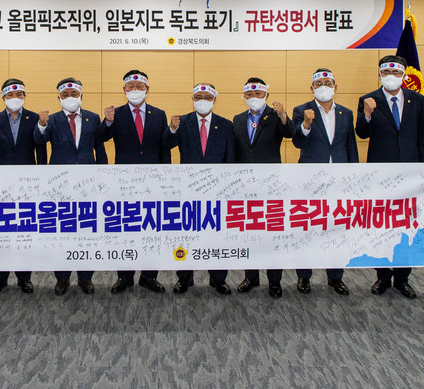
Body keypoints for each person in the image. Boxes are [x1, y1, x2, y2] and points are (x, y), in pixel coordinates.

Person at [356, 56, 424, 299]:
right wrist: (367, 114)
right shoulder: (368, 99)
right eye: (386, 71)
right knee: (382, 225)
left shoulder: (417, 100)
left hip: (409, 172)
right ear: (379, 74)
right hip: (381, 174)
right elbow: (361, 133)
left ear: (403, 75)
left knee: (406, 224)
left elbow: (423, 137)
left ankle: (402, 278)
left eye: (395, 72)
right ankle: (382, 277)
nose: (390, 76)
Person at [34, 77, 107, 295]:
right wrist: (41, 125)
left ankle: (85, 277)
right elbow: (39, 141)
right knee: (61, 232)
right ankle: (62, 277)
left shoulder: (93, 118)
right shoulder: (52, 120)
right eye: (65, 95)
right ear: (59, 98)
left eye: (74, 94)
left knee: (87, 231)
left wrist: (104, 176)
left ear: (81, 96)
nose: (70, 98)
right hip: (60, 185)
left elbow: (99, 148)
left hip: (88, 183)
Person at [100, 70, 170, 294]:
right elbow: (101, 137)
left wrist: (166, 179)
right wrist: (107, 121)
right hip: (124, 182)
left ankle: (149, 276)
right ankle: (125, 276)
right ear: (124, 90)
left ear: (147, 89)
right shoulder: (116, 114)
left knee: (152, 229)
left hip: (153, 181)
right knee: (125, 230)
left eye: (139, 86)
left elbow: (164, 147)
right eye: (130, 86)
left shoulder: (159, 114)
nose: (135, 90)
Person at [163, 83, 235, 295]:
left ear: (214, 100)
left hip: (217, 190)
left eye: (207, 97)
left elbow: (230, 159)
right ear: (192, 99)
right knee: (186, 235)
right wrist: (172, 129)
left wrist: (229, 188)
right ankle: (184, 278)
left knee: (217, 235)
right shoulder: (182, 122)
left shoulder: (226, 125)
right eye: (198, 97)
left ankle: (218, 279)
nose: (202, 101)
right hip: (188, 189)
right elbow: (165, 145)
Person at [291, 68, 358, 296]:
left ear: (335, 87)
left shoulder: (346, 113)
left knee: (336, 227)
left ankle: (335, 276)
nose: (323, 87)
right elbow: (298, 143)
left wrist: (354, 176)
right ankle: (304, 276)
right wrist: (306, 124)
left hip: (339, 178)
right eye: (318, 83)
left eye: (328, 83)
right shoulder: (302, 110)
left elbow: (350, 146)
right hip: (311, 179)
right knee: (307, 227)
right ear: (311, 88)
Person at [0, 78, 47, 296]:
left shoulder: (34, 118)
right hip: (1, 182)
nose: (15, 99)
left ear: (24, 96)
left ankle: (24, 278)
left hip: (27, 183)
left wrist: (42, 176)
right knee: (1, 231)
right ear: (3, 97)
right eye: (10, 95)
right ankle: (0, 278)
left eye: (19, 95)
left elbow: (40, 148)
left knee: (24, 231)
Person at [232, 77, 294, 298]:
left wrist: (283, 115)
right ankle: (251, 277)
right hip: (245, 185)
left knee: (271, 234)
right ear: (244, 96)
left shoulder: (275, 116)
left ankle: (274, 281)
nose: (254, 98)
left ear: (266, 95)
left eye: (258, 94)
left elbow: (291, 134)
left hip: (270, 185)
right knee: (248, 233)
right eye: (249, 94)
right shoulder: (238, 119)